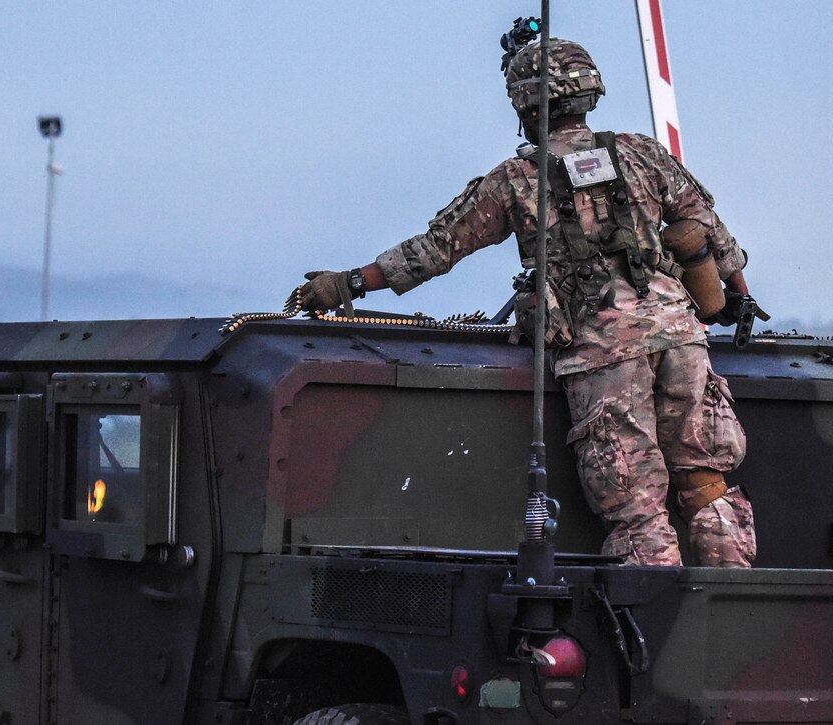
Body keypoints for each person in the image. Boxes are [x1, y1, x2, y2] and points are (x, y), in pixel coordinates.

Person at [296, 38, 756, 568]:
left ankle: (654, 642)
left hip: (602, 352)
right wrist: (737, 301)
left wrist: (349, 283)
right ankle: (730, 604)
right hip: (681, 335)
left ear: (524, 105)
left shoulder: (516, 179)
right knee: (707, 483)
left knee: (638, 511)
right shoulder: (642, 152)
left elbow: (435, 250)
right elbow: (712, 236)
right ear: (590, 92)